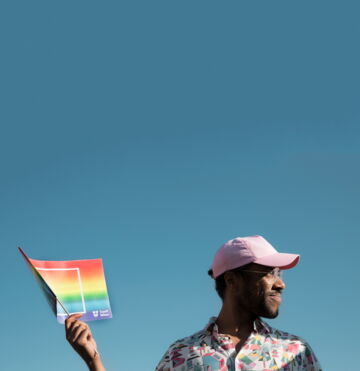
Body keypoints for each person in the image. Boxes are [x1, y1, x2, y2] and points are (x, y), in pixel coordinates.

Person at [65, 235, 322, 370]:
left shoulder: (296, 352)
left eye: (279, 273)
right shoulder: (181, 354)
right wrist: (93, 361)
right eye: (268, 273)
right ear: (232, 280)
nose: (281, 283)